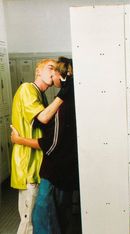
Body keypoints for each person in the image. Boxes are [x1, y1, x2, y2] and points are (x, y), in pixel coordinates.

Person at [11, 57, 80, 234]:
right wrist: (64, 93)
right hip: (29, 165)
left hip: (38, 164)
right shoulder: (27, 89)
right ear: (37, 72)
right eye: (50, 68)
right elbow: (42, 119)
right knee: (29, 223)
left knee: (37, 221)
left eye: (56, 69)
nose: (54, 71)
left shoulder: (41, 96)